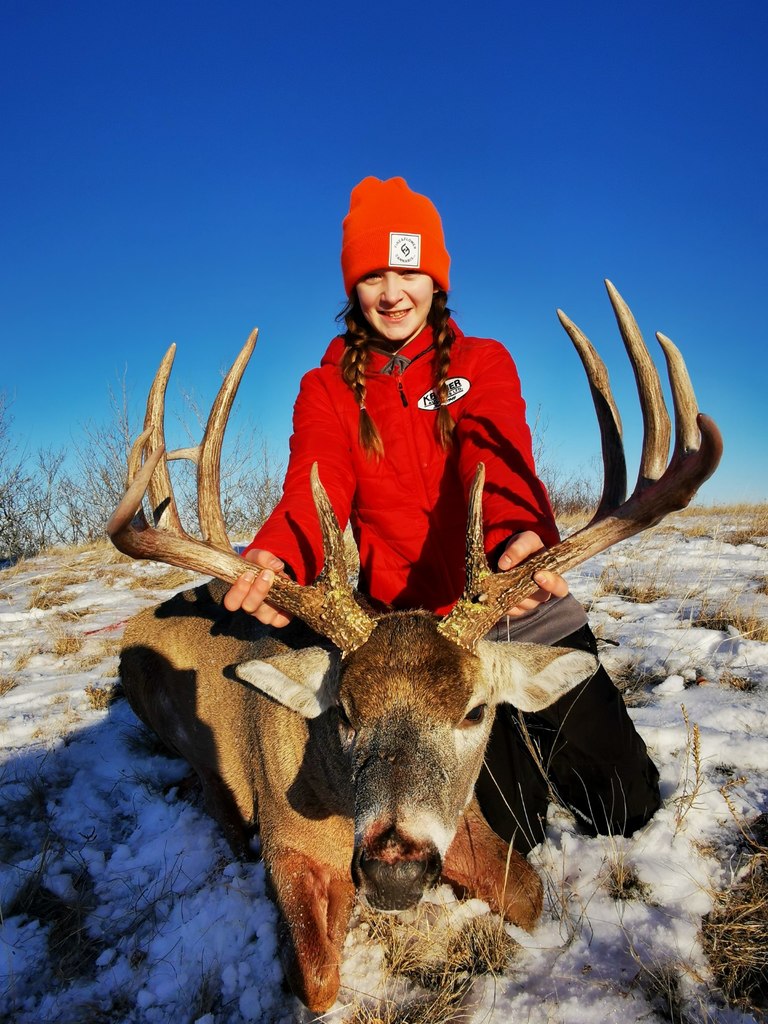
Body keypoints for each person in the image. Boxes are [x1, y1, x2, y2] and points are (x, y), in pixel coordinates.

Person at [224, 176, 660, 853]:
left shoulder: (484, 363)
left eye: (408, 269)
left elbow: (494, 452)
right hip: (407, 640)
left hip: (507, 600)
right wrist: (283, 548)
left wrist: (521, 534)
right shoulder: (326, 390)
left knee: (623, 804)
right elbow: (319, 483)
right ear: (351, 288)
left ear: (436, 279)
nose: (392, 292)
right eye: (372, 275)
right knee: (511, 836)